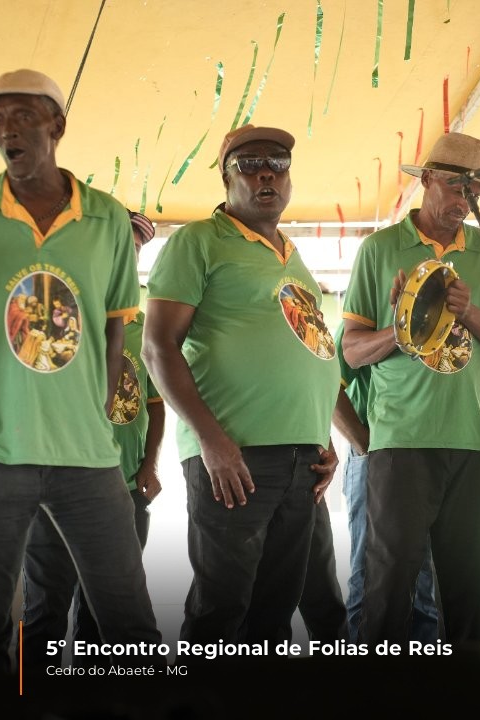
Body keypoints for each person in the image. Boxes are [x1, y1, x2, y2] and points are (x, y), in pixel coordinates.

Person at [0, 69, 160, 673]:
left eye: (23, 117)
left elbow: (115, 326)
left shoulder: (106, 218)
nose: (7, 130)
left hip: (88, 456)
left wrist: (98, 411)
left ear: (56, 125)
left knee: (130, 624)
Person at [142, 124, 340, 643]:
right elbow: (158, 347)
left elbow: (311, 349)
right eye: (249, 165)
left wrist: (325, 437)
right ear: (225, 178)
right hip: (234, 456)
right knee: (221, 612)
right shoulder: (197, 242)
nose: (266, 174)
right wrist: (212, 441)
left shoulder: (291, 255)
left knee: (275, 614)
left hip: (302, 456)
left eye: (277, 163)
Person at [340, 132, 480, 646]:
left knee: (466, 593)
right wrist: (406, 325)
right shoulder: (380, 249)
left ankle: (463, 687)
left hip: (472, 441)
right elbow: (351, 351)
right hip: (401, 442)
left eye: (475, 190)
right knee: (388, 586)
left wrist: (470, 312)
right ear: (426, 180)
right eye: (455, 185)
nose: (465, 199)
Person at [20, 210, 164, 668]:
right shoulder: (58, 316)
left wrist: (150, 464)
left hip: (124, 491)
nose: (126, 256)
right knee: (44, 611)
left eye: (134, 249)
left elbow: (155, 403)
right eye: (117, 245)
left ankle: (96, 699)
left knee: (105, 620)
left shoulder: (145, 328)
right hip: (55, 490)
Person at [330, 324, 439, 642]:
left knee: (425, 587)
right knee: (371, 582)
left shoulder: (441, 321)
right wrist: (366, 447)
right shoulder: (361, 322)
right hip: (375, 459)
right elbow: (328, 386)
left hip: (429, 461)